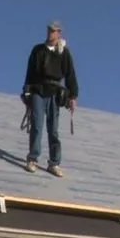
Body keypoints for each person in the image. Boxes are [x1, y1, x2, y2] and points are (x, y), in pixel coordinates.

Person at [21, 20, 78, 177]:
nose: (50, 33)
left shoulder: (63, 52)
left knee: (53, 129)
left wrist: (73, 96)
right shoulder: (38, 50)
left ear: (59, 33)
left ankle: (54, 163)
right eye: (49, 30)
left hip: (55, 92)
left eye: (54, 31)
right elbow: (30, 73)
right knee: (37, 125)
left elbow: (70, 75)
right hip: (38, 90)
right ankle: (32, 159)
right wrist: (26, 93)